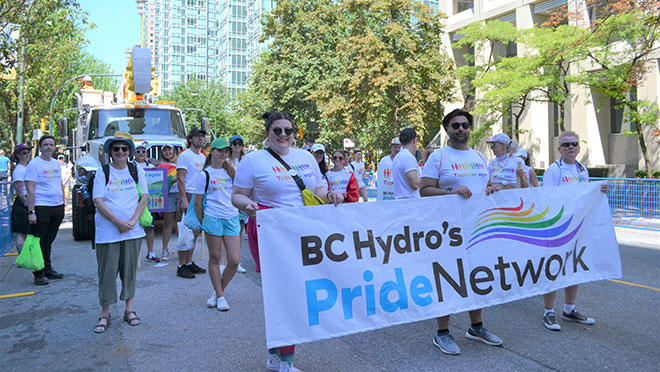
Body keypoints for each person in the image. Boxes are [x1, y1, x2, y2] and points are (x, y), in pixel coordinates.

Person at [232, 111, 343, 372]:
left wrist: (332, 195)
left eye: (288, 130)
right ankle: (285, 362)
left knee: (290, 294)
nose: (283, 135)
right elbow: (236, 195)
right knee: (284, 294)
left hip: (303, 231)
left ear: (295, 133)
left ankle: (275, 356)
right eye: (277, 130)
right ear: (267, 133)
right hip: (270, 230)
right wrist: (247, 204)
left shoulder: (305, 157)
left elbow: (316, 190)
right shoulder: (253, 160)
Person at [419, 109, 502, 355]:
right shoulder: (438, 157)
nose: (461, 129)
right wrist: (450, 192)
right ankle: (442, 332)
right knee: (448, 278)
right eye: (455, 125)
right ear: (447, 129)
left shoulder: (478, 156)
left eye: (465, 125)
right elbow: (424, 190)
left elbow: (483, 186)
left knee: (477, 276)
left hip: (477, 228)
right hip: (448, 231)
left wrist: (492, 188)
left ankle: (476, 327)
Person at [540, 130, 608, 331]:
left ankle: (569, 310)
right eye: (567, 144)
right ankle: (548, 312)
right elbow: (548, 198)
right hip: (558, 228)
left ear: (579, 148)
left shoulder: (581, 169)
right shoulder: (554, 170)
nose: (571, 147)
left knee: (574, 267)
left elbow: (584, 197)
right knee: (554, 269)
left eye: (574, 144)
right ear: (559, 148)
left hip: (578, 227)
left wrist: (599, 191)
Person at [92, 132, 149, 333]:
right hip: (108, 232)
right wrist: (118, 222)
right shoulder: (102, 171)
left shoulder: (137, 170)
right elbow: (98, 200)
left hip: (132, 232)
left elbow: (144, 198)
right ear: (110, 151)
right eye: (116, 149)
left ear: (130, 152)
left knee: (129, 271)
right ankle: (105, 313)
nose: (120, 152)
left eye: (124, 149)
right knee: (107, 273)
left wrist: (132, 221)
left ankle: (129, 310)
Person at [196, 138, 241, 311]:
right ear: (212, 151)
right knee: (215, 258)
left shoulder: (231, 172)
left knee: (234, 260)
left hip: (231, 217)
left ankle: (217, 292)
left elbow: (238, 194)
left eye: (226, 151)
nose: (223, 154)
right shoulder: (204, 174)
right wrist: (203, 223)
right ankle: (221, 296)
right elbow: (198, 203)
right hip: (212, 218)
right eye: (220, 150)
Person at [24, 135, 65, 286]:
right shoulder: (34, 164)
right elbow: (30, 189)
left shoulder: (55, 163)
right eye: (46, 145)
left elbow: (59, 182)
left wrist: (63, 201)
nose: (49, 147)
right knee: (39, 241)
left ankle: (48, 268)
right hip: (41, 207)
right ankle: (38, 273)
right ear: (40, 147)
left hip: (57, 206)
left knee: (49, 241)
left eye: (51, 145)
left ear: (55, 147)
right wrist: (32, 211)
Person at [176, 128, 208, 279]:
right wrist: (183, 198)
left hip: (199, 196)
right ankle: (181, 265)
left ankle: (189, 262)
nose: (200, 139)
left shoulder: (202, 156)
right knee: (185, 231)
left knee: (195, 231)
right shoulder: (185, 156)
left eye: (202, 137)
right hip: (188, 194)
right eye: (197, 137)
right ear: (190, 139)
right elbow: (181, 178)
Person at [133, 141, 159, 263]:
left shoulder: (152, 166)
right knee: (135, 228)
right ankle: (134, 255)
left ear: (147, 153)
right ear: (134, 153)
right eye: (138, 151)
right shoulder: (130, 166)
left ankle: (151, 252)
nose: (141, 153)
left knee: (150, 226)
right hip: (135, 201)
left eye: (143, 151)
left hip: (150, 200)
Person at [156, 143, 181, 261]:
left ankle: (182, 248)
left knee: (180, 223)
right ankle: (165, 249)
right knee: (168, 223)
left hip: (181, 194)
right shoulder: (161, 166)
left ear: (173, 151)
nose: (167, 152)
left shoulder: (180, 163)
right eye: (165, 150)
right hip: (169, 195)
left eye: (169, 150)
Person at [227, 134, 247, 273]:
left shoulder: (246, 161)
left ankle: (236, 261)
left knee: (239, 230)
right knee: (228, 230)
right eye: (235, 144)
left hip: (242, 197)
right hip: (227, 197)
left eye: (240, 144)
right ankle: (226, 261)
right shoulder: (226, 160)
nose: (237, 146)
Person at [392, 128, 432, 199]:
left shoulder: (398, 157)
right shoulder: (408, 157)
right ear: (414, 141)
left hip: (401, 201)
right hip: (410, 203)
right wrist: (428, 178)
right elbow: (415, 184)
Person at [10, 144, 32, 253]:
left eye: (28, 152)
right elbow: (19, 190)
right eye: (24, 153)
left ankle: (26, 256)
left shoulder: (25, 168)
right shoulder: (19, 170)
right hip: (22, 203)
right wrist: (27, 204)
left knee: (26, 232)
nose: (27, 155)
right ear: (18, 155)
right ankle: (22, 257)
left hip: (28, 201)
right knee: (21, 233)